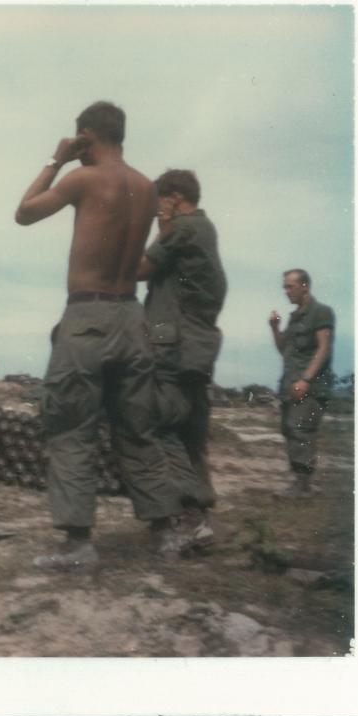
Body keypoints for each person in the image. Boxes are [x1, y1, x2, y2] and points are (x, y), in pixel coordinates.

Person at [14, 101, 186, 571]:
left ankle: (78, 545)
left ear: (86, 136)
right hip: (132, 317)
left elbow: (24, 213)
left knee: (71, 429)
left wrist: (57, 159)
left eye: (78, 139)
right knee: (139, 430)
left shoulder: (84, 178)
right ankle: (165, 533)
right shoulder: (148, 189)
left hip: (86, 315)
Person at [137, 169, 227, 547]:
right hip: (194, 347)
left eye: (159, 200)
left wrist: (162, 225)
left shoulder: (183, 229)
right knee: (190, 432)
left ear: (173, 197)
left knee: (164, 424)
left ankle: (191, 515)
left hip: (171, 344)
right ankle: (199, 516)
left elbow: (141, 268)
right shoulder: (202, 230)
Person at [268, 269, 335, 498]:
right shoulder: (294, 317)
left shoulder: (321, 312)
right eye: (284, 287)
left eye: (290, 286)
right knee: (289, 430)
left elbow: (324, 348)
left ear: (305, 286)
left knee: (300, 430)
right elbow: (282, 350)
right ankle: (300, 482)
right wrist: (275, 328)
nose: (286, 291)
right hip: (290, 385)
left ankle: (303, 487)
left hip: (311, 386)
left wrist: (306, 379)